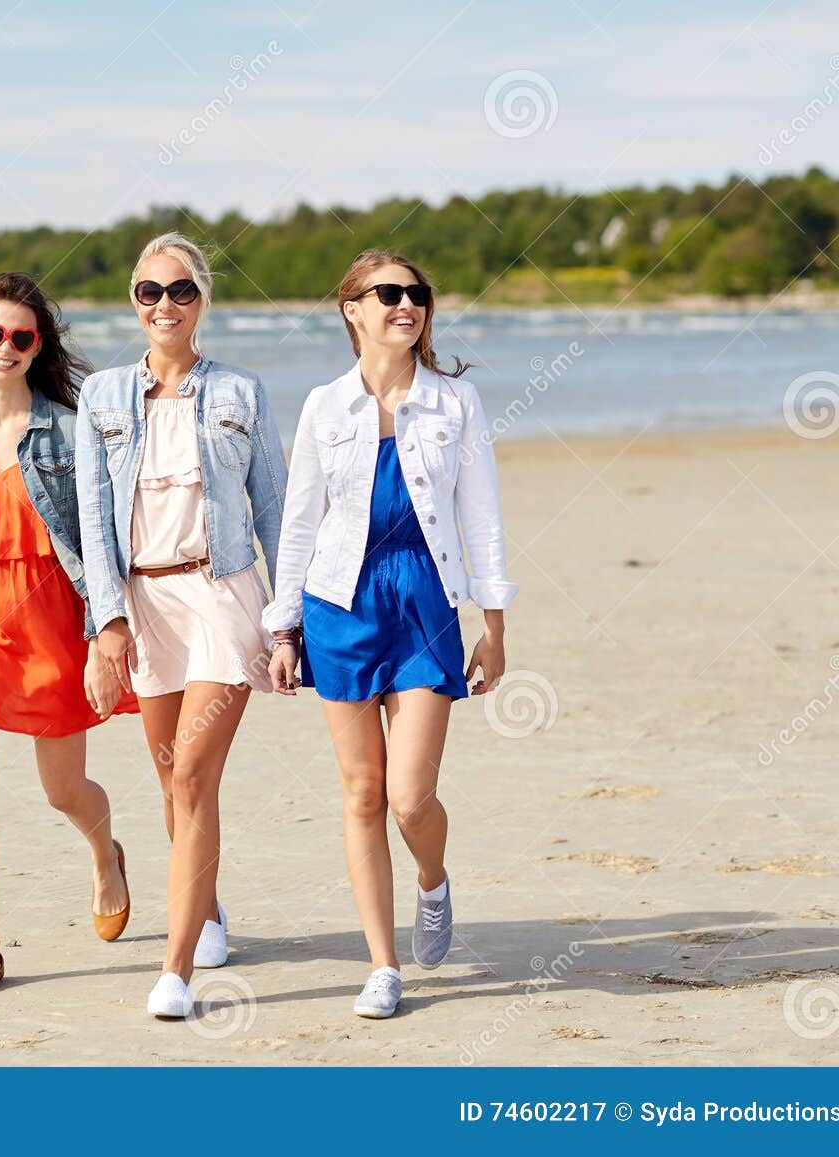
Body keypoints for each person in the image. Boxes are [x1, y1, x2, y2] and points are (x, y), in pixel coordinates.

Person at [265, 249, 517, 1019]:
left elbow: (482, 513)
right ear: (353, 309)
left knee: (411, 796)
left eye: (417, 294)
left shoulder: (455, 404)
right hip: (337, 603)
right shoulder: (322, 406)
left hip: (425, 598)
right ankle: (382, 964)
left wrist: (495, 622)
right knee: (363, 792)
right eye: (389, 293)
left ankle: (433, 883)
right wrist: (282, 627)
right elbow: (300, 518)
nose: (406, 304)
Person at [78, 233, 287, 1019]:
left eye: (180, 290)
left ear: (202, 300)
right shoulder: (100, 399)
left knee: (195, 775)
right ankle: (208, 908)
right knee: (169, 778)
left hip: (221, 593)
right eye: (147, 291)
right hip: (144, 607)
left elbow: (275, 506)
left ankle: (175, 973)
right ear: (133, 303)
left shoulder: (241, 391)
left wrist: (286, 616)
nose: (163, 304)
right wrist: (108, 623)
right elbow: (95, 521)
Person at [0, 272, 138, 996]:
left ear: (36, 343)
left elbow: (103, 539)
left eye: (20, 336)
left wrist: (105, 632)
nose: (4, 347)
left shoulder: (73, 434)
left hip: (52, 621)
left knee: (61, 788)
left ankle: (105, 852)